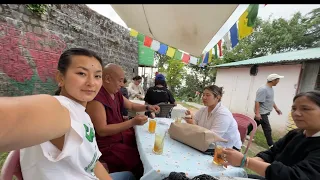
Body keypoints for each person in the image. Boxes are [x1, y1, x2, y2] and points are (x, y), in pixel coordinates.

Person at [1, 48, 135, 180]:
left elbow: (92, 163)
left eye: (97, 76)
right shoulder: (62, 110)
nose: (91, 83)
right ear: (61, 78)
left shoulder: (82, 113)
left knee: (129, 175)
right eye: (82, 73)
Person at [222, 91, 320, 180]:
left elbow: (294, 176)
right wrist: (239, 161)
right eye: (294, 108)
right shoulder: (295, 134)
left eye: (305, 109)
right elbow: (271, 153)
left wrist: (246, 161)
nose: (296, 113)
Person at [85, 63, 160, 179]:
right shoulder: (97, 100)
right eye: (120, 81)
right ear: (108, 79)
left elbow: (130, 105)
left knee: (144, 148)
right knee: (138, 160)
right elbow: (102, 130)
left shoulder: (116, 94)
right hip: (109, 145)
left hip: (122, 136)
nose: (122, 84)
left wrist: (147, 107)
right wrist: (132, 122)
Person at [184, 85, 242, 150]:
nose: (204, 97)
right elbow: (195, 122)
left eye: (208, 95)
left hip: (228, 148)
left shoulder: (223, 114)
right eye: (203, 95)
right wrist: (191, 119)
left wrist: (192, 124)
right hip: (208, 144)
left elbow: (211, 137)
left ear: (218, 97)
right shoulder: (203, 110)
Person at [247, 73, 283, 147]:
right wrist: (257, 113)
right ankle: (271, 145)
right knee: (267, 129)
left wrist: (276, 108)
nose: (278, 81)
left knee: (253, 125)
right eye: (278, 80)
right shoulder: (263, 89)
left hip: (265, 112)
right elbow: (257, 101)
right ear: (273, 80)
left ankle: (243, 133)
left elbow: (271, 100)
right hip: (262, 112)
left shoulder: (270, 89)